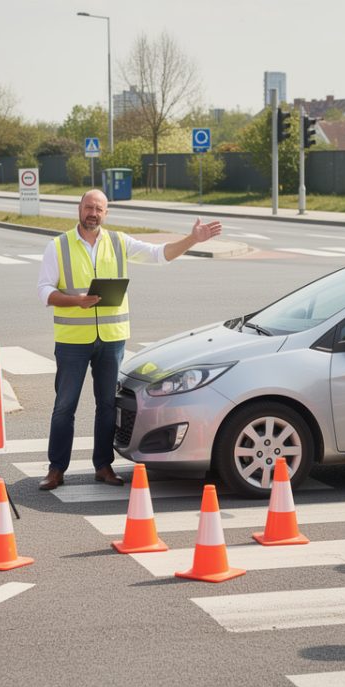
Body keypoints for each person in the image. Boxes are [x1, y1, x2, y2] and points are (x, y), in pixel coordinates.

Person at [36, 189, 223, 491]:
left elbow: (159, 255)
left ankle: (103, 466)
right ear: (78, 209)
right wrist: (77, 301)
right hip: (72, 341)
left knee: (108, 406)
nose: (92, 213)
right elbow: (44, 290)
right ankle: (56, 469)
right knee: (64, 407)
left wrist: (192, 240)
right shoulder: (58, 246)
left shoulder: (118, 242)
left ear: (106, 213)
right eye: (88, 207)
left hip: (111, 339)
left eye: (98, 208)